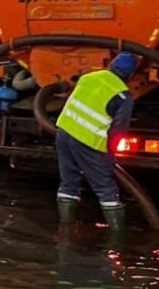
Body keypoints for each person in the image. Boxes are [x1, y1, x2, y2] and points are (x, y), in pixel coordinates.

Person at [56, 52, 138, 230]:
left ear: (111, 65)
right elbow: (119, 130)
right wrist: (110, 155)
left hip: (63, 132)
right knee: (105, 187)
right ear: (130, 75)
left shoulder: (88, 77)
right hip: (88, 141)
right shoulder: (123, 96)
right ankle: (117, 237)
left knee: (69, 181)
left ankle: (65, 227)